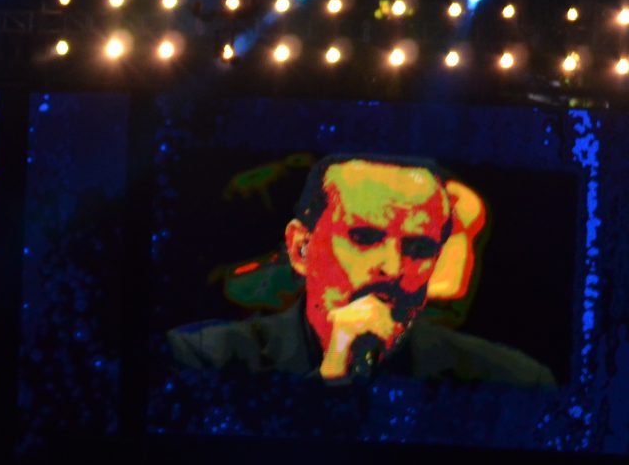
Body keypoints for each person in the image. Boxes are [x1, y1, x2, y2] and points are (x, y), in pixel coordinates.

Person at [167, 154, 554, 385]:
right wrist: (331, 377)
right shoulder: (205, 355)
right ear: (301, 248)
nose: (391, 267)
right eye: (364, 238)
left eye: (418, 248)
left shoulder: (514, 379)